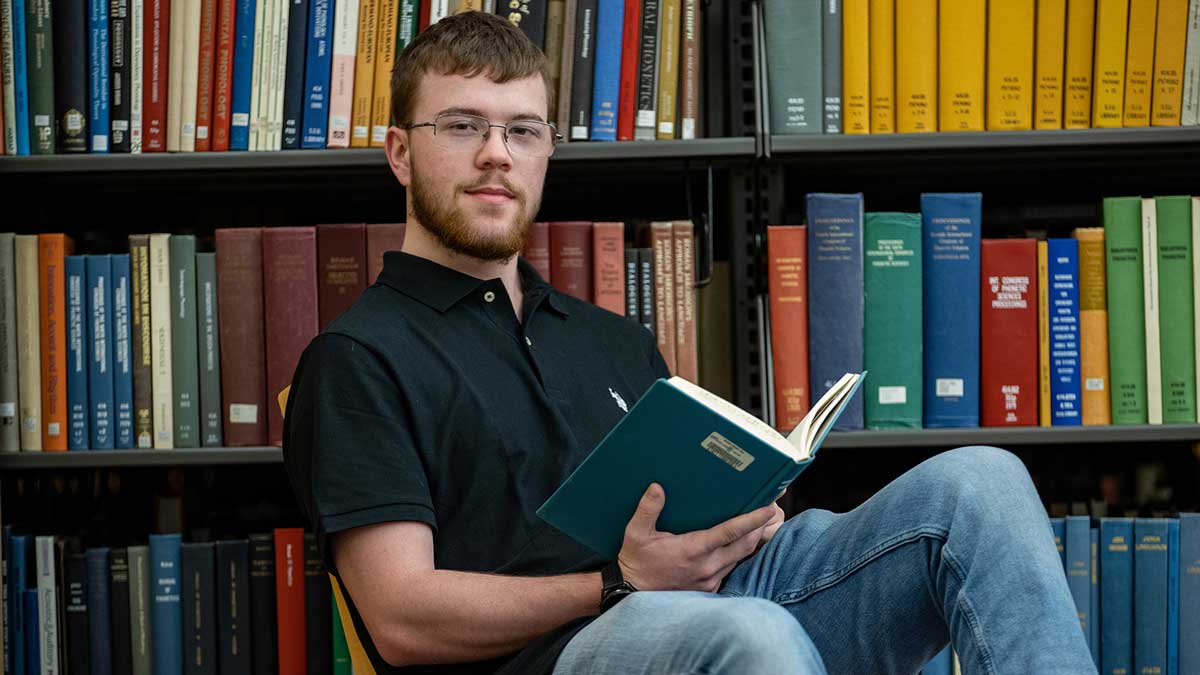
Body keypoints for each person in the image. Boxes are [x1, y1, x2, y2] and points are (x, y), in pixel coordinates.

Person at [281, 12, 1096, 675]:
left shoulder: (612, 340)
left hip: (721, 596)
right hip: (558, 653)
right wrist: (619, 581)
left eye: (523, 131)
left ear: (546, 155)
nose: (497, 152)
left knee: (980, 483)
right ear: (399, 151)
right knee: (755, 638)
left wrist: (741, 518)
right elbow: (399, 617)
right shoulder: (360, 357)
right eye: (463, 125)